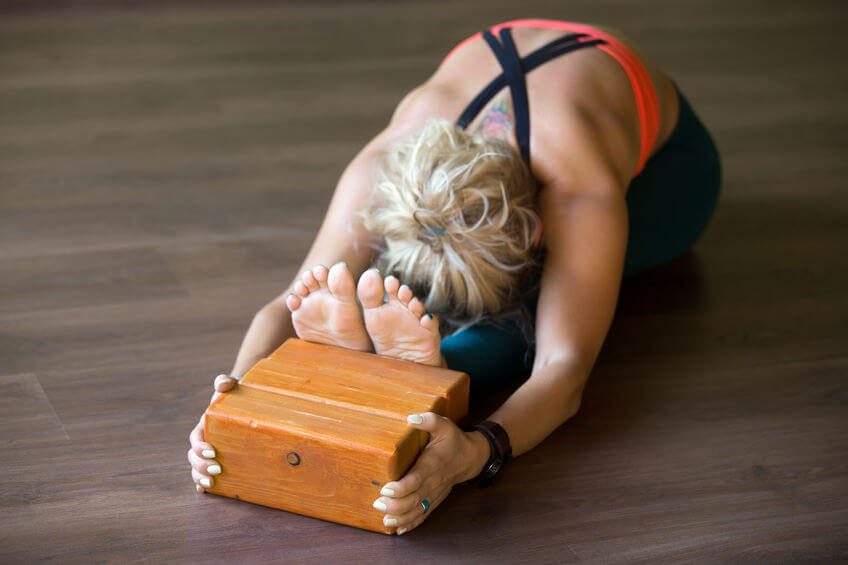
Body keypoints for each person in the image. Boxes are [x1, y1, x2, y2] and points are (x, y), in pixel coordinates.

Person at [187, 18, 721, 535]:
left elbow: (564, 371)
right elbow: (289, 303)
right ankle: (418, 360)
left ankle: (408, 355)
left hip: (670, 177)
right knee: (408, 274)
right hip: (529, 130)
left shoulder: (580, 188)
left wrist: (477, 451)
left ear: (538, 234)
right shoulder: (388, 163)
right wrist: (228, 408)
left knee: (535, 306)